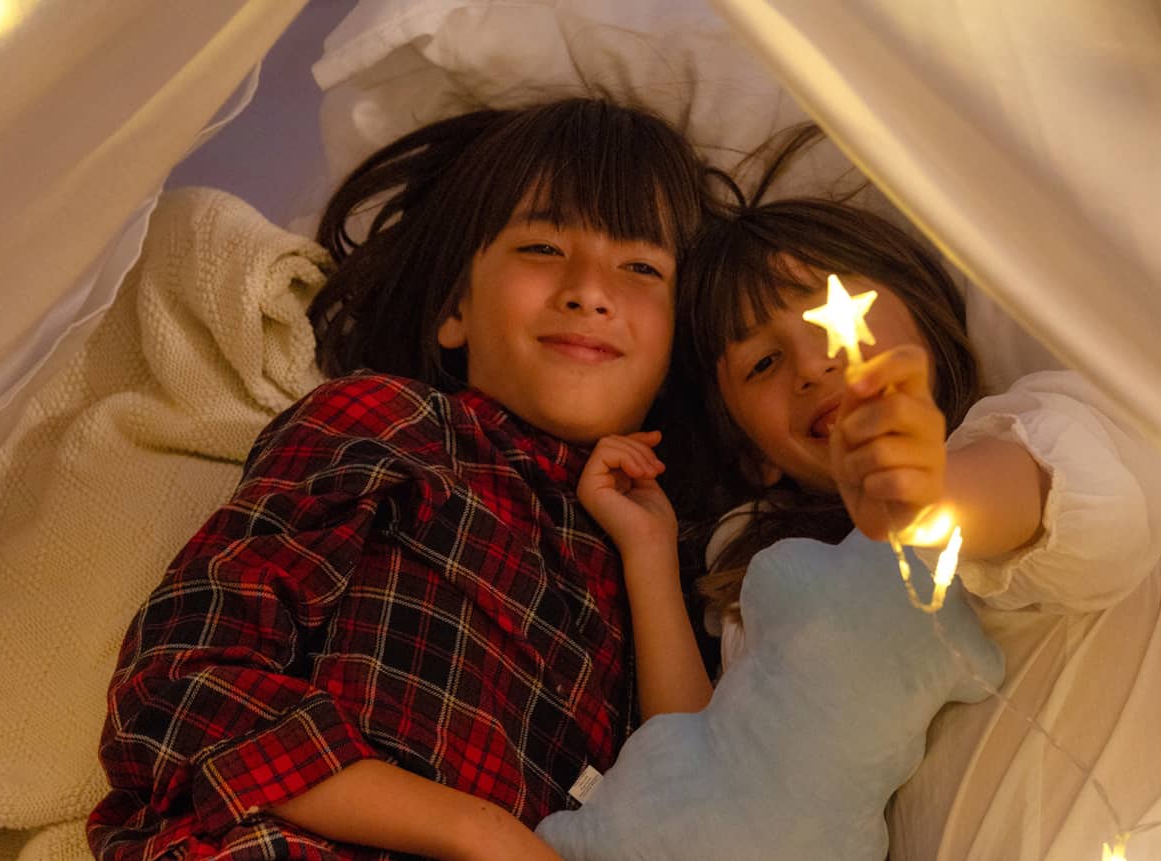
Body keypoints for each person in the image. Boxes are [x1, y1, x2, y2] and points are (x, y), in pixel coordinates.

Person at [90, 98, 713, 861]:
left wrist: (648, 551)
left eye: (641, 266)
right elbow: (177, 684)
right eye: (544, 247)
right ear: (455, 308)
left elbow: (708, 806)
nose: (589, 289)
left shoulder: (667, 564)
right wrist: (479, 830)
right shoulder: (393, 422)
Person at [670, 136, 1161, 858]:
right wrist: (649, 551)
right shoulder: (769, 593)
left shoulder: (1047, 423)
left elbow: (1090, 518)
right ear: (750, 452)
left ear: (925, 316)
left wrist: (932, 494)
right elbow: (706, 787)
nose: (814, 362)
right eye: (764, 362)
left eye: (834, 314)